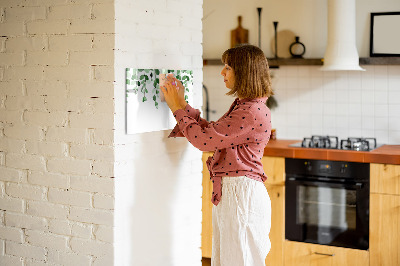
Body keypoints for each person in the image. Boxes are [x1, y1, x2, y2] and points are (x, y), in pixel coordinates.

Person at [161, 44, 273, 266]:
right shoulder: (246, 106)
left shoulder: (250, 111)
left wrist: (176, 107)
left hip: (241, 195)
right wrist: (182, 103)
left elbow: (204, 141)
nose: (222, 72)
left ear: (244, 72)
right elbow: (212, 133)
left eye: (228, 67)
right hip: (236, 193)